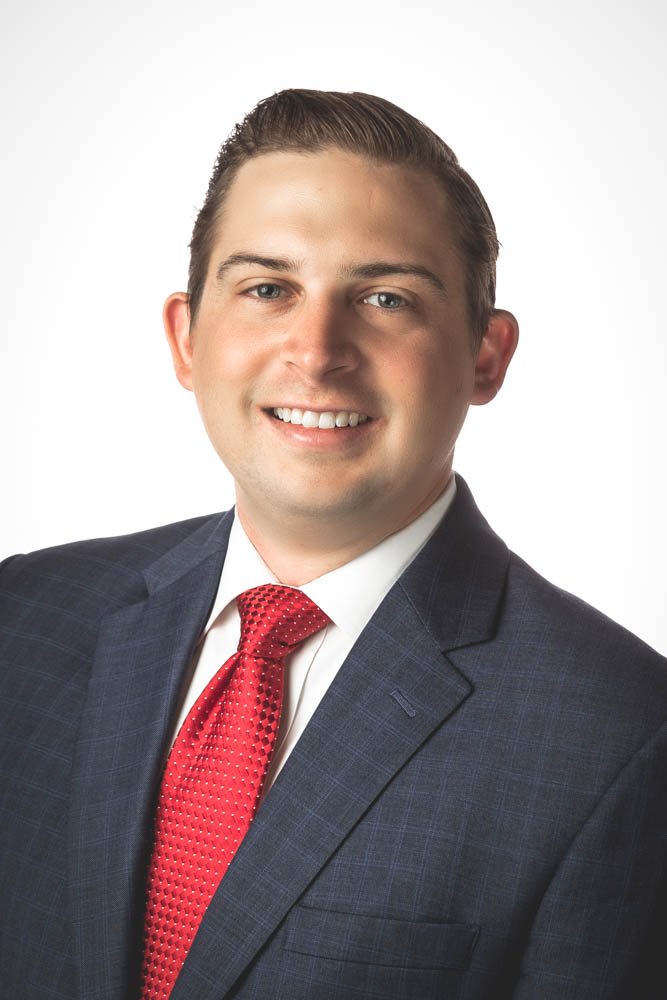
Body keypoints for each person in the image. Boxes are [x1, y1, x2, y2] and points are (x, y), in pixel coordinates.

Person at [1, 89, 665, 1000]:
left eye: (385, 297)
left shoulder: (621, 738)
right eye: (268, 288)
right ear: (186, 338)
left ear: (485, 358)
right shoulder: (22, 622)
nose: (316, 351)